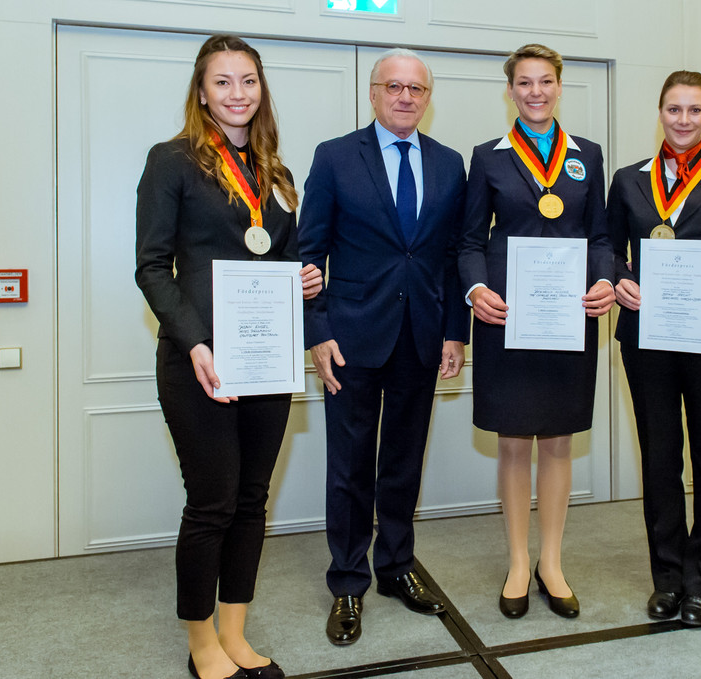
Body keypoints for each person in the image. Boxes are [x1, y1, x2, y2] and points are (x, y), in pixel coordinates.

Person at [135, 35, 322, 679]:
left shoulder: (277, 174)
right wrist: (195, 342)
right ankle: (201, 643)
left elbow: (282, 257)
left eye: (248, 81)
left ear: (261, 89)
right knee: (211, 504)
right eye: (223, 81)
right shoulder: (172, 161)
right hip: (200, 363)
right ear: (202, 90)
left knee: (250, 501)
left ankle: (236, 633)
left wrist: (304, 277)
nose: (237, 94)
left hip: (265, 359)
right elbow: (152, 267)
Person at [298, 48, 468, 646]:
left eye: (415, 89)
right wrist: (317, 332)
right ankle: (348, 581)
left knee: (402, 461)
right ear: (372, 94)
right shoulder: (335, 157)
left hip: (421, 337)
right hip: (350, 339)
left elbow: (452, 256)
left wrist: (455, 331)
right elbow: (308, 253)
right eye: (393, 86)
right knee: (349, 467)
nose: (404, 97)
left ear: (428, 98)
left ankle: (396, 566)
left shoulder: (449, 164)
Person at [458, 43, 614, 620]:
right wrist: (477, 289)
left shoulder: (587, 155)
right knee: (512, 440)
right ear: (510, 91)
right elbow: (469, 240)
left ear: (559, 86)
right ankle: (519, 562)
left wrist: (605, 280)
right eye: (524, 82)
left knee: (558, 440)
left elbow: (601, 236)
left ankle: (552, 561)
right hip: (507, 317)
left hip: (569, 317)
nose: (535, 92)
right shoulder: (489, 157)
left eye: (545, 81)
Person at [606, 70, 701, 627]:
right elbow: (608, 248)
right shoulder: (628, 181)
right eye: (674, 109)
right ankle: (668, 578)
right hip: (646, 338)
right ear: (660, 112)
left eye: (695, 110)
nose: (684, 119)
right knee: (660, 458)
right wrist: (618, 278)